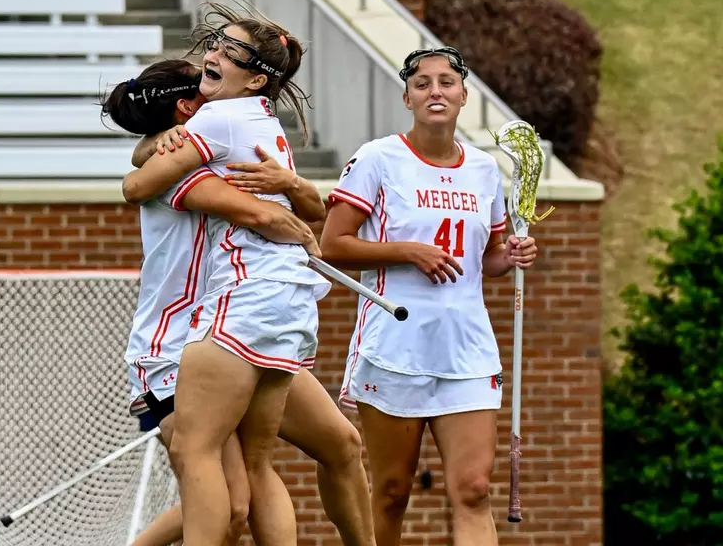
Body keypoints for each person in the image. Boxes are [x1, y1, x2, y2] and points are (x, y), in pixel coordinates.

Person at [123, 61, 376, 546]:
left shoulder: (204, 151)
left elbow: (308, 209)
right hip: (175, 346)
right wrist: (300, 229)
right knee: (233, 503)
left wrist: (295, 186)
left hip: (236, 322)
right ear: (185, 110)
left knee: (340, 444)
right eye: (205, 86)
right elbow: (268, 217)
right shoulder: (179, 172)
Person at [318, 46, 539, 546]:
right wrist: (407, 252)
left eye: (446, 82)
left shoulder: (484, 170)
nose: (435, 91)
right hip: (395, 347)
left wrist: (515, 255)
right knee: (393, 490)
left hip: (467, 351)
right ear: (407, 97)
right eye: (422, 84)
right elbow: (332, 246)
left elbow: (488, 262)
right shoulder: (377, 158)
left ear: (463, 96)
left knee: (475, 489)